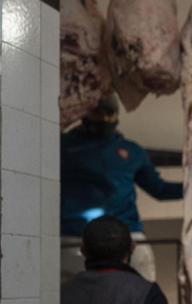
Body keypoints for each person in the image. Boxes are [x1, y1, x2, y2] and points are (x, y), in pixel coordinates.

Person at [60, 96, 183, 282]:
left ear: (116, 115)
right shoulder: (61, 145)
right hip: (76, 236)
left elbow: (160, 190)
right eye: (97, 112)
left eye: (110, 114)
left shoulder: (131, 151)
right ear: (84, 112)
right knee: (76, 302)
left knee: (140, 296)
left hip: (126, 234)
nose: (104, 119)